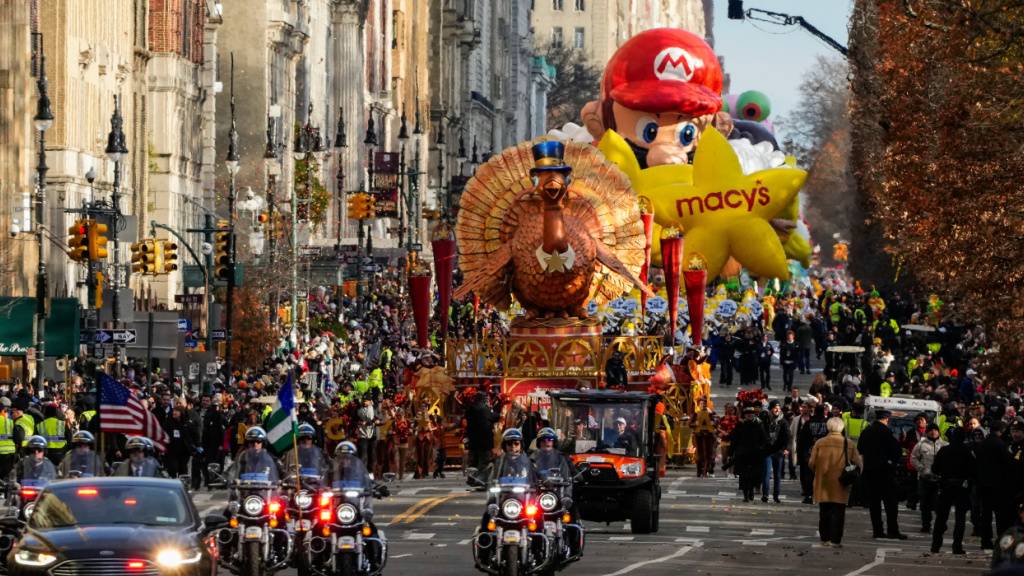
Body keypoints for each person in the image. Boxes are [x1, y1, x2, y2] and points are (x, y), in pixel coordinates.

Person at [809, 417, 862, 547]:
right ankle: (836, 540)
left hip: (823, 482)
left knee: (824, 512)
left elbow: (811, 463)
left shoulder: (820, 443)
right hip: (841, 483)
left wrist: (818, 471)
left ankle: (825, 538)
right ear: (842, 428)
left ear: (828, 427)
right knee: (839, 513)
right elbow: (858, 463)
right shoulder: (849, 443)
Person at [857, 409, 907, 539]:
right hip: (885, 472)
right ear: (886, 419)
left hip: (869, 471)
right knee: (891, 503)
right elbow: (896, 451)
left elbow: (860, 449)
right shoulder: (886, 432)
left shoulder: (866, 431)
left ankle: (877, 530)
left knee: (874, 503)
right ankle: (893, 530)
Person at [931, 427, 976, 554]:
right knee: (960, 518)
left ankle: (935, 545)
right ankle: (957, 546)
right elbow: (973, 469)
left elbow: (935, 468)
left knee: (941, 517)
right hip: (961, 486)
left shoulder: (944, 450)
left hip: (946, 485)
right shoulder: (967, 451)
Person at [975, 420, 1015, 549]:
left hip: (983, 483)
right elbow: (1009, 463)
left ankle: (985, 540)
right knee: (1000, 515)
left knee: (985, 514)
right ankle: (1000, 540)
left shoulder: (983, 444)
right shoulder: (1000, 444)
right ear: (1001, 430)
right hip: (998, 484)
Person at [911, 423, 947, 533]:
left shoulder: (945, 445)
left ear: (939, 432)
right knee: (925, 505)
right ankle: (926, 525)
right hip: (925, 479)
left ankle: (941, 524)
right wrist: (922, 469)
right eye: (931, 430)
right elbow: (913, 458)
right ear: (927, 432)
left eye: (935, 430)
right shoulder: (921, 444)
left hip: (940, 480)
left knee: (939, 504)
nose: (933, 432)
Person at [329, 441, 375, 517]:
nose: (344, 461)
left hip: (355, 506)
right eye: (341, 458)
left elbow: (368, 484)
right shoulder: (330, 473)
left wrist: (376, 488)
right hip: (334, 508)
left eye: (348, 458)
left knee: (368, 522)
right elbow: (321, 484)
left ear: (353, 460)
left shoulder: (360, 473)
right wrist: (320, 488)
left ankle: (367, 511)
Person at [732, 406, 767, 502]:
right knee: (743, 476)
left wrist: (761, 449)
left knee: (753, 475)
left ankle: (751, 491)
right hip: (742, 455)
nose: (749, 416)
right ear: (745, 416)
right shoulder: (740, 425)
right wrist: (732, 452)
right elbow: (734, 439)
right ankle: (745, 495)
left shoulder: (759, 425)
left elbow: (764, 439)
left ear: (754, 415)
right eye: (747, 414)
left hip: (755, 455)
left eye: (751, 414)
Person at [762, 400, 790, 503]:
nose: (777, 409)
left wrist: (785, 448)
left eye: (778, 408)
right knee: (766, 473)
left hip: (778, 451)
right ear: (770, 409)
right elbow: (761, 433)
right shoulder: (765, 420)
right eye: (775, 408)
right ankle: (765, 494)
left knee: (777, 475)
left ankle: (776, 495)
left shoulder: (783, 421)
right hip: (767, 451)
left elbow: (787, 436)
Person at [691, 398, 716, 478]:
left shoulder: (710, 414)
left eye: (704, 404)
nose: (703, 405)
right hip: (698, 436)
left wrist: (713, 423)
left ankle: (706, 471)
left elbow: (715, 424)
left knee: (708, 454)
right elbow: (690, 424)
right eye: (701, 404)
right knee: (699, 455)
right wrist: (695, 424)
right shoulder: (696, 414)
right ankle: (699, 471)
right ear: (699, 405)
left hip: (708, 436)